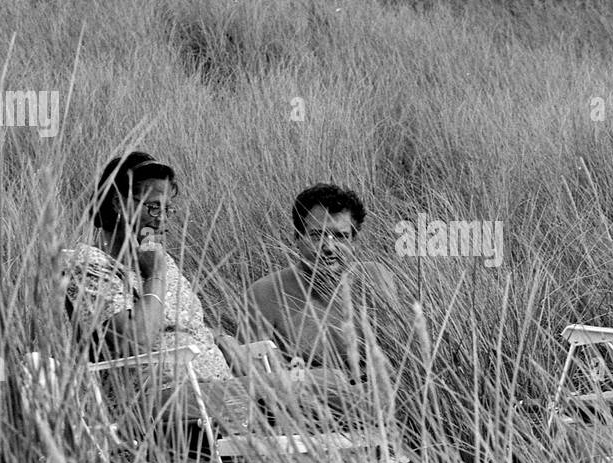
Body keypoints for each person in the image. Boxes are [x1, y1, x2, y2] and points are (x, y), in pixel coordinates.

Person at [61, 151, 259, 440]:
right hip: (163, 399)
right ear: (119, 204)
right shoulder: (89, 264)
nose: (163, 221)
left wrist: (220, 337)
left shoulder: (157, 259)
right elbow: (134, 339)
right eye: (154, 208)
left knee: (330, 385)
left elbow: (183, 322)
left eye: (168, 209)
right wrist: (154, 275)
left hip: (217, 391)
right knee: (328, 389)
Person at [246, 183, 403, 425]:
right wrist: (316, 380)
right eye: (317, 235)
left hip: (377, 420)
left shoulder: (375, 280)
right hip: (300, 426)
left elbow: (393, 364)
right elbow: (261, 379)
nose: (328, 248)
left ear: (354, 241)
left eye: (340, 236)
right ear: (297, 238)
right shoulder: (265, 293)